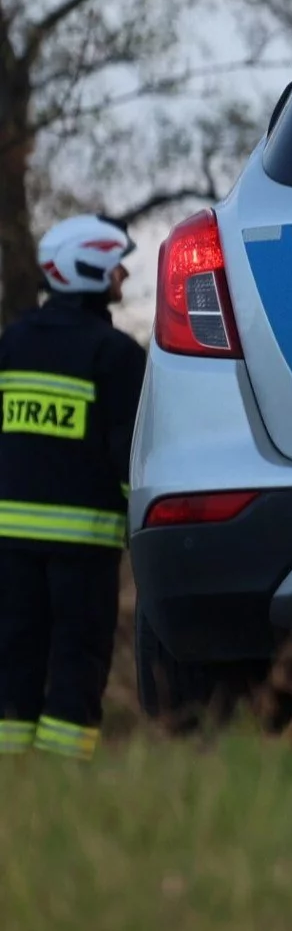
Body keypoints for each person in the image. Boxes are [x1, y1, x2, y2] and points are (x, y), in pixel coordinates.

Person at [0, 215, 146, 758]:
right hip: (84, 547)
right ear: (90, 269)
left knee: (14, 655)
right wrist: (142, 524)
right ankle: (63, 771)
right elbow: (130, 454)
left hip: (10, 545)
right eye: (116, 265)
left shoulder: (11, 343)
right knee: (77, 658)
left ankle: (11, 774)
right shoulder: (116, 356)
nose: (124, 275)